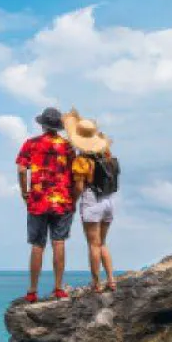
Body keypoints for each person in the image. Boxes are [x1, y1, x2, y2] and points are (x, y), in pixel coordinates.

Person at [16, 107, 75, 302]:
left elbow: (22, 170)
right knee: (59, 242)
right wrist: (72, 197)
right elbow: (74, 173)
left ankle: (32, 291)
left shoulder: (31, 144)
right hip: (62, 201)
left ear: (42, 125)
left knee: (37, 245)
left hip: (38, 200)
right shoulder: (67, 147)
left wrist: (25, 191)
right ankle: (58, 288)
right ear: (58, 126)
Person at [65, 110, 119, 293]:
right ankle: (111, 280)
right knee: (103, 242)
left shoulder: (82, 160)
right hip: (109, 199)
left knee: (93, 244)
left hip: (92, 200)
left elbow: (79, 187)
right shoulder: (107, 155)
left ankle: (96, 284)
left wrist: (72, 203)